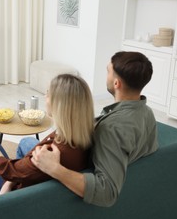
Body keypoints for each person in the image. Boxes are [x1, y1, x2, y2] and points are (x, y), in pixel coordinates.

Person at [21, 51, 158, 207]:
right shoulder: (146, 112)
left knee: (24, 146)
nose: (106, 75)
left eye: (108, 71)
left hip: (70, 167)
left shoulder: (110, 129)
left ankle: (13, 185)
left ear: (116, 83)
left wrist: (55, 169)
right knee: (27, 143)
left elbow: (108, 193)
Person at [0, 74, 95, 195]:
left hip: (14, 195)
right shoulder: (81, 135)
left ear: (59, 105)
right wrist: (16, 175)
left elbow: (6, 169)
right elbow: (26, 169)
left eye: (48, 94)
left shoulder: (49, 153)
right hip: (23, 178)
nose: (45, 95)